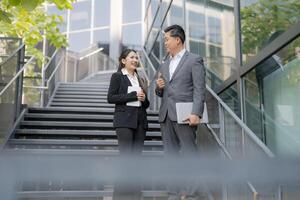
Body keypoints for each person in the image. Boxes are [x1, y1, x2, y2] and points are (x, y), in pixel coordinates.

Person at [155, 24, 206, 199]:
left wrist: (196, 113)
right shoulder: (164, 64)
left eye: (167, 39)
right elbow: (161, 91)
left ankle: (192, 193)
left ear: (178, 40)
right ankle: (173, 192)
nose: (165, 43)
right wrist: (159, 88)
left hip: (185, 114)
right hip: (166, 115)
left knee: (190, 153)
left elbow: (199, 89)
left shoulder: (194, 60)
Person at [107, 49, 149, 200]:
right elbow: (110, 97)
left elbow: (146, 103)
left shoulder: (141, 78)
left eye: (137, 57)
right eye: (132, 57)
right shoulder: (118, 76)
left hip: (140, 121)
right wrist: (133, 95)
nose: (135, 59)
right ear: (123, 61)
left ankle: (135, 193)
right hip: (124, 121)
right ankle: (120, 195)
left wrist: (144, 99)